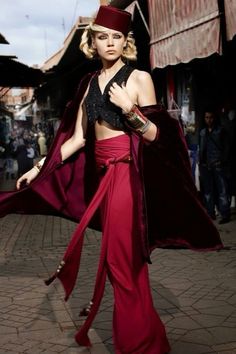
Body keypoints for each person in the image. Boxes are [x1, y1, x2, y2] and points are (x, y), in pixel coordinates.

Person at [0, 5, 223, 354]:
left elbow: (157, 137)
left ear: (125, 41)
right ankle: (147, 340)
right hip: (102, 180)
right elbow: (76, 140)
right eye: (102, 37)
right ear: (93, 41)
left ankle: (138, 345)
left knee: (122, 262)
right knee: (116, 262)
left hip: (126, 178)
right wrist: (39, 167)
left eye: (116, 37)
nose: (109, 43)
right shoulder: (88, 84)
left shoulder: (139, 80)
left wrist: (129, 111)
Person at [199, 110, 231, 224]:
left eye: (211, 117)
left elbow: (226, 148)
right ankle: (210, 213)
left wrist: (222, 161)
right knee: (208, 191)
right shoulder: (203, 132)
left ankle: (225, 214)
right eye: (206, 117)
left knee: (222, 190)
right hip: (206, 165)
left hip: (218, 164)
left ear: (214, 118)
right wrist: (201, 162)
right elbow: (202, 148)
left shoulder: (220, 131)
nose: (208, 120)